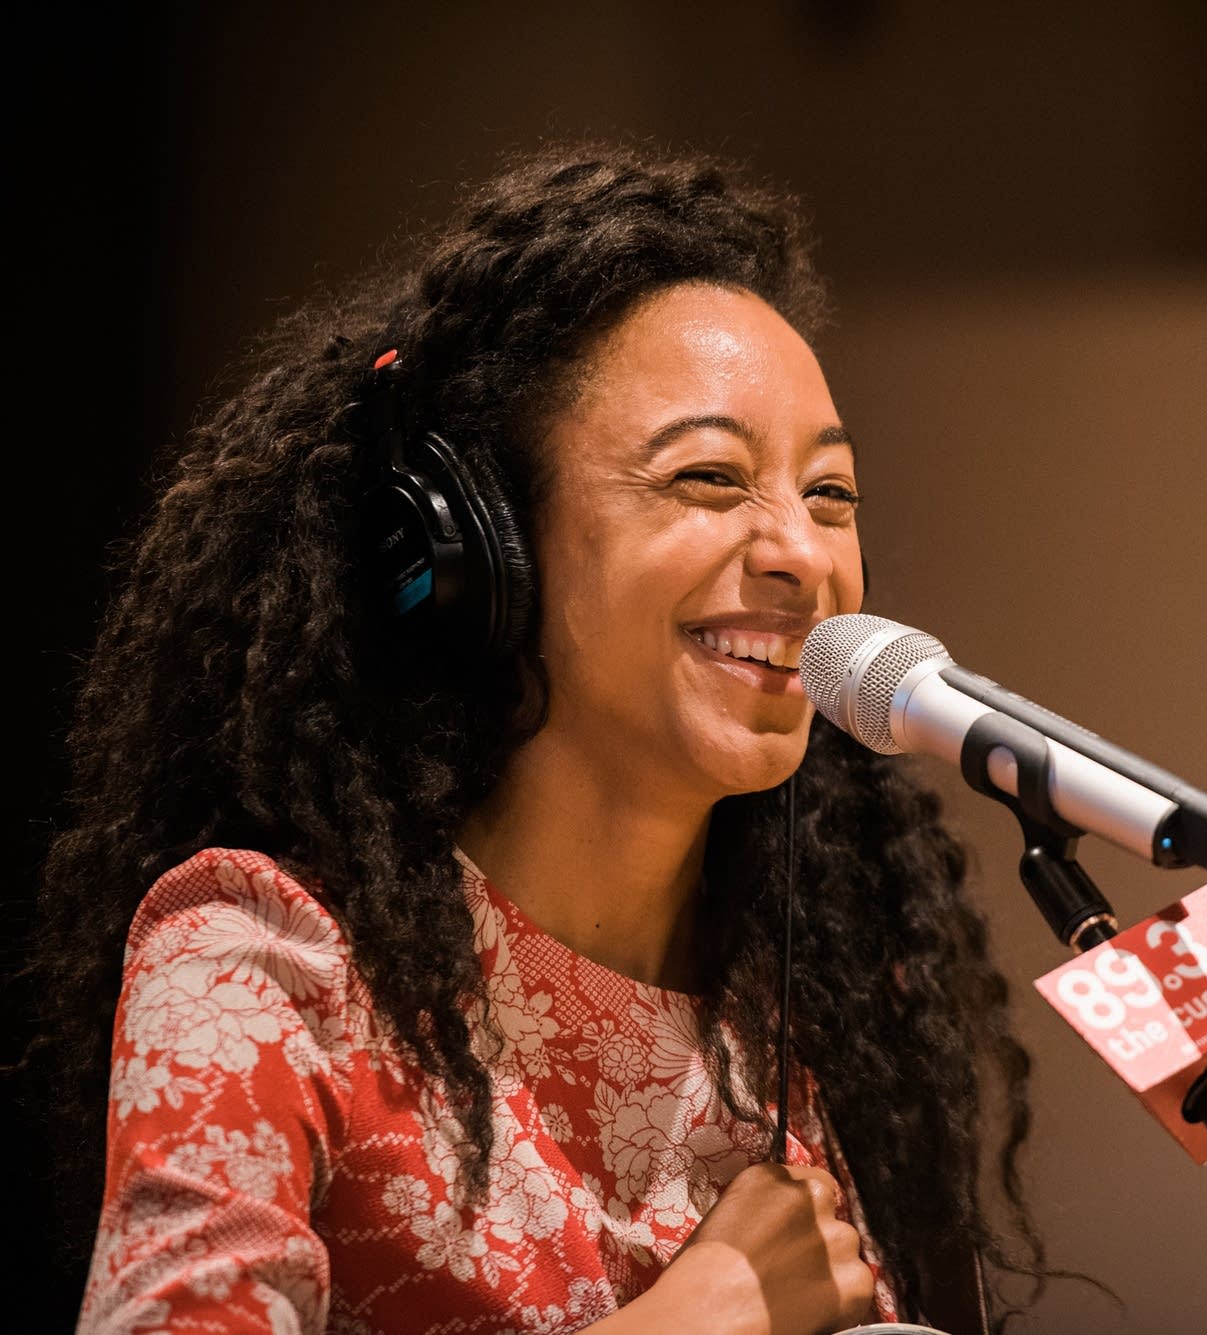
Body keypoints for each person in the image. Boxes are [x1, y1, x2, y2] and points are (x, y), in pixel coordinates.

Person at [31, 141, 1052, 1335]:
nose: (800, 555)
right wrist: (700, 1318)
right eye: (711, 479)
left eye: (829, 495)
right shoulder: (266, 957)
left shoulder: (803, 1024)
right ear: (481, 556)